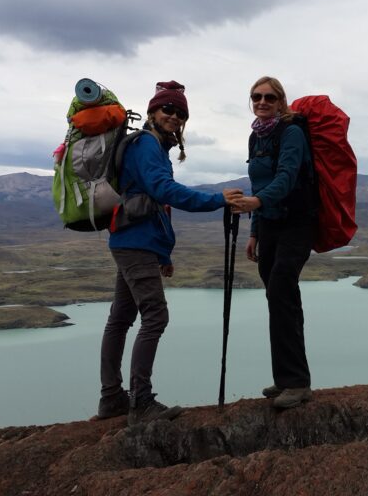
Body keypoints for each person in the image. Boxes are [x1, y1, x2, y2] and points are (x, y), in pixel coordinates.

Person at [95, 80, 242, 425]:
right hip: (135, 244)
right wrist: (217, 199)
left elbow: (154, 203)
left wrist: (163, 254)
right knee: (155, 316)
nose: (174, 116)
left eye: (180, 113)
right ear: (152, 112)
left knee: (120, 319)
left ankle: (112, 398)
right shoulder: (147, 145)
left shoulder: (151, 146)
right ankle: (140, 403)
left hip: (133, 241)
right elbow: (165, 190)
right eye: (168, 109)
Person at [233, 76, 317, 409]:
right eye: (256, 97)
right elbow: (260, 182)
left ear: (281, 101)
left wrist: (256, 204)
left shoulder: (292, 132)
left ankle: (296, 382)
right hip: (269, 225)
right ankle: (287, 379)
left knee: (282, 287)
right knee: (276, 295)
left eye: (269, 97)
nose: (262, 102)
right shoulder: (256, 137)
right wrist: (254, 232)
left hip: (298, 222)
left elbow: (286, 177)